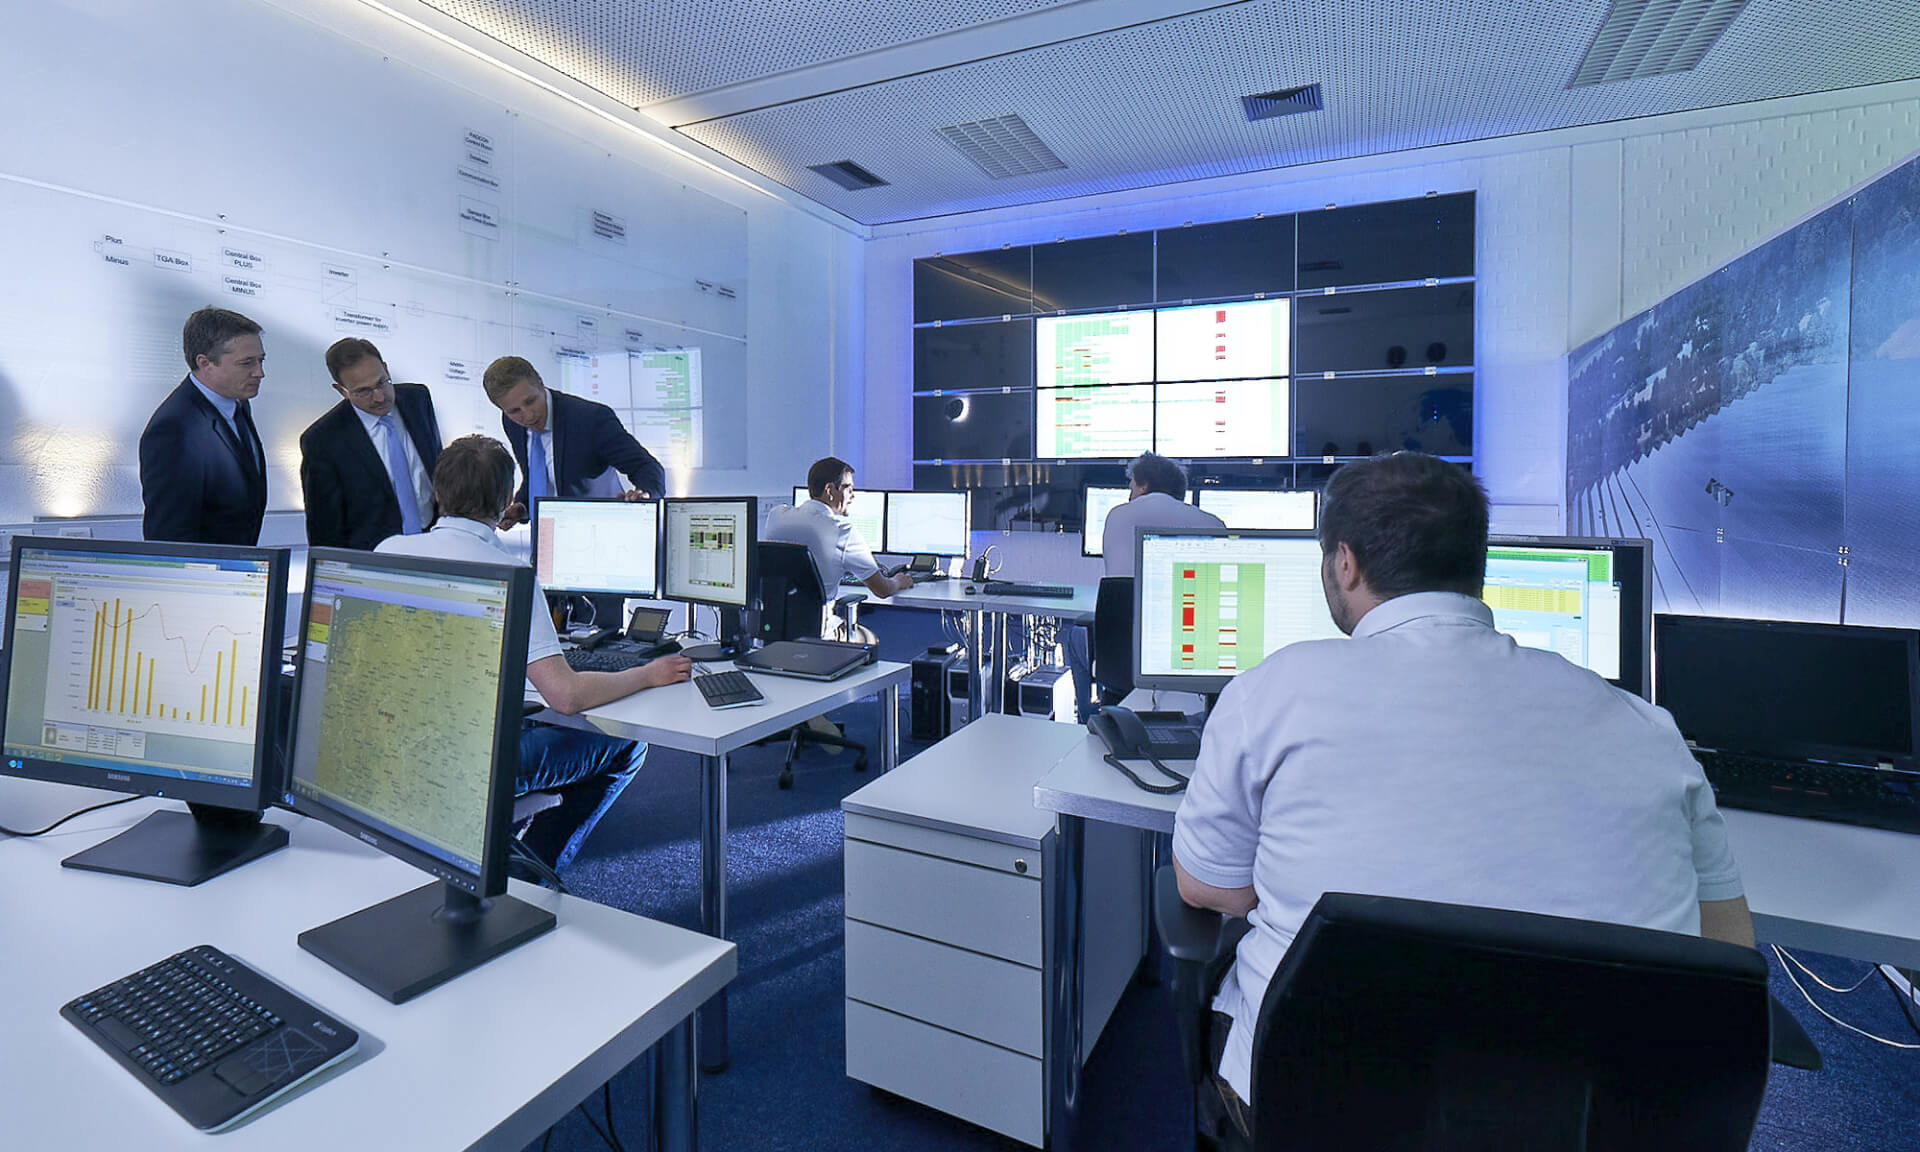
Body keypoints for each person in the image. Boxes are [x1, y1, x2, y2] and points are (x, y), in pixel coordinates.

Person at [1170, 452, 1751, 1145]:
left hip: (1313, 1111)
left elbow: (1208, 886)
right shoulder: (1650, 731)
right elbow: (1727, 950)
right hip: (1587, 1124)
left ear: (1345, 564)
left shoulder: (1269, 693)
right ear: (1478, 563)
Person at [376, 435, 693, 871]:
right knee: (625, 743)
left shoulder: (388, 552)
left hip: (390, 751)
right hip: (469, 765)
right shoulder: (509, 574)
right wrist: (648, 674)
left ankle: (497, 844)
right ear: (508, 500)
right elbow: (566, 696)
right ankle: (534, 873)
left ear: (437, 492)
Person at [1067, 452, 1225, 719]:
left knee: (1074, 637)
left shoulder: (1117, 516)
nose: (1129, 494)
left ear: (1143, 485)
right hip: (1190, 666)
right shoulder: (1214, 524)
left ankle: (1090, 721)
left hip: (1122, 664)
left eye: (1131, 487)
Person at [482, 356, 666, 526]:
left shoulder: (591, 419)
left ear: (540, 383)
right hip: (547, 536)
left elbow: (646, 466)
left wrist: (646, 495)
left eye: (531, 401)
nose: (528, 416)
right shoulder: (511, 423)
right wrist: (522, 507)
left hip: (600, 531)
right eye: (515, 411)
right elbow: (539, 475)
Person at [139, 308, 269, 545]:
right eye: (247, 363)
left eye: (260, 360)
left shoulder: (238, 404)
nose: (259, 372)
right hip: (204, 578)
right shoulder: (173, 429)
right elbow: (169, 538)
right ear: (205, 363)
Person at [298, 338, 442, 550]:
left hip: (436, 541)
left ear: (385, 368)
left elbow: (439, 467)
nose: (379, 397)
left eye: (382, 382)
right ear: (341, 390)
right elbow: (325, 529)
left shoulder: (418, 399)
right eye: (363, 391)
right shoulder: (323, 440)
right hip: (374, 558)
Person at [764, 457, 915, 600]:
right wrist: (899, 581)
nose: (852, 496)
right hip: (822, 626)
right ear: (829, 490)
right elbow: (883, 590)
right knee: (866, 629)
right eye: (848, 489)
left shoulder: (776, 516)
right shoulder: (843, 532)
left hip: (778, 623)